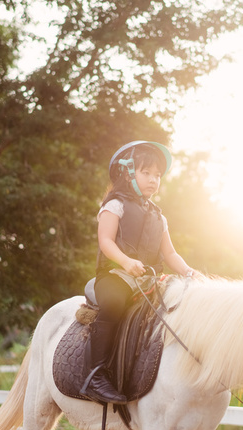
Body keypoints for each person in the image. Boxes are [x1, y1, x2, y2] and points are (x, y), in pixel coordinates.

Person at [82, 140, 196, 404]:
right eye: (147, 173)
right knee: (113, 303)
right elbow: (106, 242)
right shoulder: (115, 204)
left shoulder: (159, 216)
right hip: (116, 276)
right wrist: (126, 262)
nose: (153, 180)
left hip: (148, 280)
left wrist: (190, 273)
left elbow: (170, 254)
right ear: (127, 172)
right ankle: (95, 375)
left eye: (157, 175)